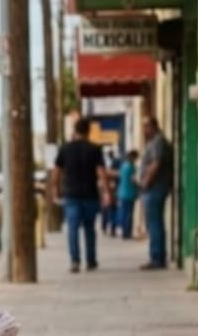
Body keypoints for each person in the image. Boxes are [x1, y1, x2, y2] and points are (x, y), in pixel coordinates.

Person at [50, 117, 112, 273]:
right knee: (90, 228)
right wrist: (107, 192)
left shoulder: (65, 149)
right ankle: (91, 260)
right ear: (88, 131)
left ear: (74, 130)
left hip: (71, 195)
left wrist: (55, 190)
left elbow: (56, 173)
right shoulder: (94, 149)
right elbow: (101, 173)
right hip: (90, 194)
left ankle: (75, 261)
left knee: (72, 229)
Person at [138, 117, 174, 270]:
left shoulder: (158, 142)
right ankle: (156, 256)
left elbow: (156, 163)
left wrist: (146, 181)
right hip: (153, 188)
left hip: (155, 188)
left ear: (153, 127)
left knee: (154, 224)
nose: (144, 130)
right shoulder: (155, 142)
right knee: (153, 223)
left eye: (146, 126)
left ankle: (157, 257)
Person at [118, 150, 140, 240]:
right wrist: (140, 186)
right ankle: (127, 233)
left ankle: (124, 232)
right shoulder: (131, 167)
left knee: (124, 212)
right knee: (129, 214)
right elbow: (133, 179)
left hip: (122, 192)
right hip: (130, 193)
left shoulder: (123, 166)